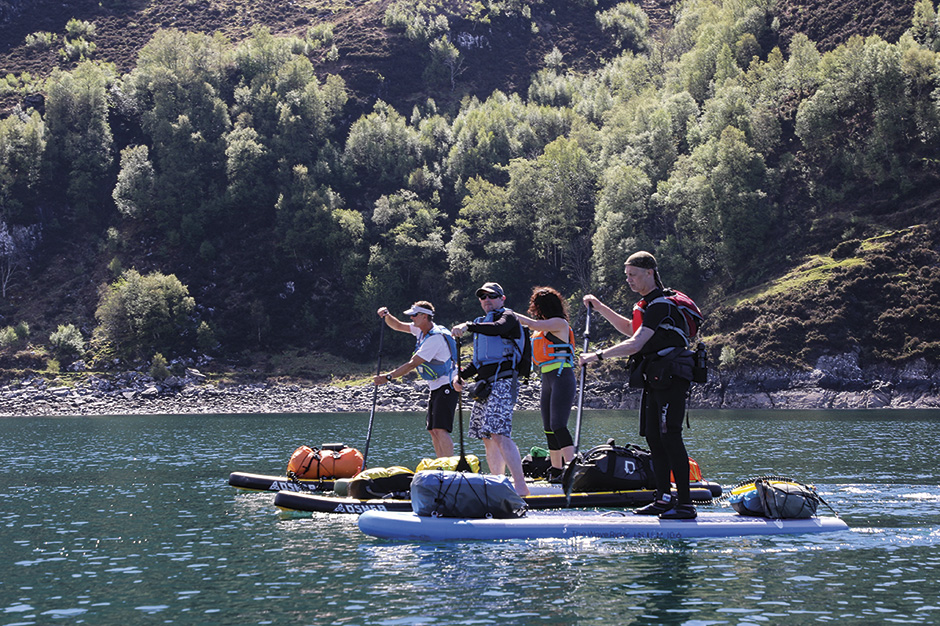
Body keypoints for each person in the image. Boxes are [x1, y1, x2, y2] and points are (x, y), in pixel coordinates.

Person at [578, 251, 698, 519]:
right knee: (654, 438)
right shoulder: (647, 305)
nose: (629, 280)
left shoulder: (661, 305)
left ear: (649, 273)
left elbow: (635, 344)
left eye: (633, 275)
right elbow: (630, 330)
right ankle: (663, 498)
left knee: (671, 438)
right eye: (626, 275)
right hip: (655, 378)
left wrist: (596, 356)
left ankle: (686, 504)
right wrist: (599, 307)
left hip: (672, 379)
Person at [452, 282, 530, 496]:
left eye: (492, 296)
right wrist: (460, 377)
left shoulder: (509, 317)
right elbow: (478, 363)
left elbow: (499, 328)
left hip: (504, 381)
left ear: (502, 298)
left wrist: (468, 326)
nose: (487, 300)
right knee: (487, 436)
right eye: (483, 297)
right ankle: (498, 482)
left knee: (499, 432)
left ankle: (521, 487)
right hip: (484, 386)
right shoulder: (480, 323)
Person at [374, 301, 458, 459]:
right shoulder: (421, 330)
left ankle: (449, 469)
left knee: (441, 429)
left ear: (424, 316)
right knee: (433, 430)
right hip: (436, 387)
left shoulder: (435, 339)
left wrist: (387, 377)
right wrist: (387, 315)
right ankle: (440, 465)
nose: (411, 318)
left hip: (447, 385)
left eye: (414, 315)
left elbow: (412, 364)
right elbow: (398, 325)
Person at [514, 286, 576, 483]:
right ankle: (556, 469)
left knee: (558, 425)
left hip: (561, 377)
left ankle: (573, 468)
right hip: (547, 379)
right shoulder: (543, 326)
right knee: (549, 427)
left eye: (537, 306)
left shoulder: (559, 323)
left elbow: (531, 324)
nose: (535, 310)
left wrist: (506, 312)